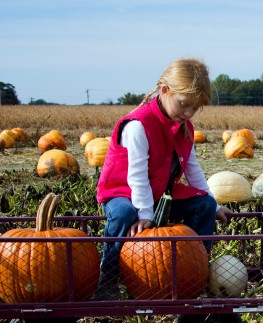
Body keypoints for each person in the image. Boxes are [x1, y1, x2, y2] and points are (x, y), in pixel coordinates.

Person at [94, 58, 231, 300]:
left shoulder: (185, 127)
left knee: (204, 206)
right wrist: (145, 214)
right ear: (165, 91)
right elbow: (136, 176)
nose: (188, 113)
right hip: (122, 191)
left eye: (195, 108)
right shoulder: (138, 125)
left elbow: (193, 170)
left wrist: (215, 204)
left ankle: (195, 271)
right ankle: (109, 278)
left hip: (158, 193)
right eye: (184, 105)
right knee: (125, 214)